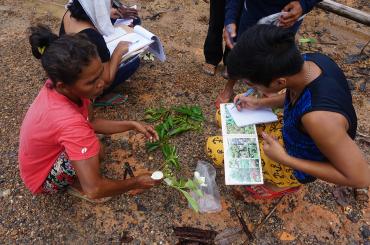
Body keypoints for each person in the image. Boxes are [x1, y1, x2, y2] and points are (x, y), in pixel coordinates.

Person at [206, 25, 369, 199]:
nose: (251, 88)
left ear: (279, 82)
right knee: (225, 116)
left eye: (252, 85)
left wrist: (284, 158)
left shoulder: (319, 119)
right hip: (293, 132)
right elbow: (296, 96)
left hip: (297, 159)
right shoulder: (309, 61)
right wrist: (259, 103)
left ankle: (284, 183)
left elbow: (361, 177)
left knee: (214, 147)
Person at [19, 25, 161, 202]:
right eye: (92, 82)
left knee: (94, 146)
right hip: (42, 178)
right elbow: (94, 189)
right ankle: (76, 185)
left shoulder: (66, 87)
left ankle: (80, 163)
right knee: (94, 149)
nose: (101, 84)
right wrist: (136, 182)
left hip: (40, 158)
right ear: (63, 85)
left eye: (100, 74)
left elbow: (90, 121)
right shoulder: (70, 122)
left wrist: (132, 124)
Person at [215, 0, 322, 107]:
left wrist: (304, 4)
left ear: (280, 82)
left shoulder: (313, 113)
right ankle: (239, 88)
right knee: (243, 57)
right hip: (254, 10)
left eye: (252, 83)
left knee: (274, 62)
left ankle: (268, 91)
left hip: (288, 16)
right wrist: (230, 18)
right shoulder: (311, 66)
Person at [61, 0, 140, 106]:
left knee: (134, 21)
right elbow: (106, 80)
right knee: (134, 60)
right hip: (82, 78)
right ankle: (97, 96)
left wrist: (108, 12)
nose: (112, 4)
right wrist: (118, 52)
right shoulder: (93, 37)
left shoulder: (69, 12)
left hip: (72, 64)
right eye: (109, 2)